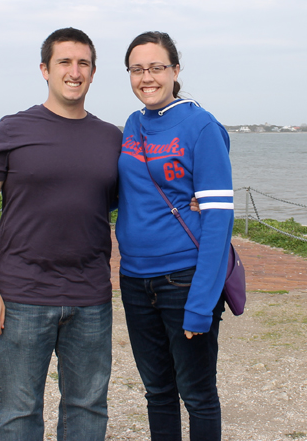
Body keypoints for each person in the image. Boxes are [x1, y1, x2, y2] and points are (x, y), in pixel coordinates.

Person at [0, 27, 122, 441]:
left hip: (90, 297)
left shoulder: (111, 138)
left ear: (93, 72)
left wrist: (191, 200)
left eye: (83, 63)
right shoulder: (12, 129)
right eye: (64, 62)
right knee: (17, 414)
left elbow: (137, 200)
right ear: (45, 70)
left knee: (87, 409)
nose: (74, 71)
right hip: (21, 295)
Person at [115, 31, 235, 441]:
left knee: (198, 394)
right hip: (133, 280)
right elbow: (125, 193)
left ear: (175, 70)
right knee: (157, 393)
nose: (146, 77)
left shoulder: (201, 125)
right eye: (137, 69)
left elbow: (219, 220)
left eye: (156, 67)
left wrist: (202, 303)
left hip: (183, 279)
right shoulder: (133, 123)